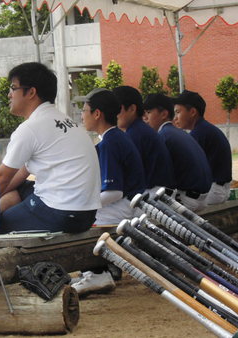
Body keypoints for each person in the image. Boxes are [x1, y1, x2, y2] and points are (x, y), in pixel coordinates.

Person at [0, 62, 101, 234]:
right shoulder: (64, 120)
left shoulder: (31, 128)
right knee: (18, 188)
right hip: (86, 213)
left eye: (13, 88)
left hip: (61, 212)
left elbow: (1, 178)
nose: (9, 95)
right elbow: (19, 173)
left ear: (31, 92)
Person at [71, 88, 146, 296]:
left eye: (84, 111)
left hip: (126, 207)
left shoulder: (111, 141)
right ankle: (100, 270)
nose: (82, 116)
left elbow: (114, 192)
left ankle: (97, 273)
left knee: (78, 219)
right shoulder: (112, 138)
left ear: (97, 114)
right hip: (129, 204)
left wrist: (82, 204)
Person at [144, 93, 212, 211]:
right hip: (200, 197)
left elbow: (159, 177)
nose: (145, 118)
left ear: (164, 114)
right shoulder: (175, 132)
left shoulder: (163, 136)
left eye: (149, 112)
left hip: (187, 200)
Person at [112, 86, 175, 197]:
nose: (112, 114)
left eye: (117, 109)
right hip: (159, 192)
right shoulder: (138, 129)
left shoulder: (136, 133)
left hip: (155, 195)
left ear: (132, 109)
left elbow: (125, 176)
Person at [173, 90, 232, 205]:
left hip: (213, 191)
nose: (175, 118)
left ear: (193, 112)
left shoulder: (199, 133)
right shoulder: (204, 129)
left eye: (178, 112)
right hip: (218, 189)